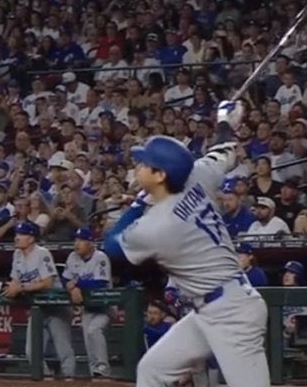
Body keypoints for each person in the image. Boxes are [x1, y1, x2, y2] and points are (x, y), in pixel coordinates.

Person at [102, 101, 269, 387]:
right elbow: (224, 151)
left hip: (233, 314)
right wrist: (225, 121)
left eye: (145, 164)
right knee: (153, 370)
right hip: (210, 308)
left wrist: (139, 203)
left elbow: (112, 247)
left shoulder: (159, 225)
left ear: (160, 175)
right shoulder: (197, 175)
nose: (138, 167)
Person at [2, 221, 76, 380]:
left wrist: (21, 288)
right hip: (38, 309)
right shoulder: (17, 255)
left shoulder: (42, 253)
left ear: (31, 238)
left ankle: (70, 380)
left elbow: (47, 283)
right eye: (16, 234)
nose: (16, 237)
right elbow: (15, 280)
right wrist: (11, 287)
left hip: (56, 307)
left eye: (21, 234)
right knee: (31, 352)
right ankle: (46, 379)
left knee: (63, 349)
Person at [63, 227, 112, 377]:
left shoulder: (100, 257)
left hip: (105, 305)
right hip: (88, 308)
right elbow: (65, 278)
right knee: (88, 342)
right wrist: (72, 288)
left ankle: (103, 369)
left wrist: (76, 285)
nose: (77, 244)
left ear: (91, 243)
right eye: (76, 240)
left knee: (93, 330)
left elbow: (100, 283)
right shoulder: (73, 257)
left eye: (81, 240)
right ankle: (95, 375)